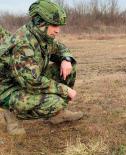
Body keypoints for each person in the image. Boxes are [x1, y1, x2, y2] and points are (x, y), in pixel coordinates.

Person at [0, 0, 83, 135]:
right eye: (54, 25)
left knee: (70, 66)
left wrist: (66, 59)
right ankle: (12, 114)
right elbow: (32, 82)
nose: (57, 30)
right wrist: (64, 89)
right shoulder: (23, 44)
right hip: (9, 89)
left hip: (28, 80)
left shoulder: (41, 36)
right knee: (55, 102)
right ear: (40, 22)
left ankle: (58, 114)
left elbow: (60, 48)